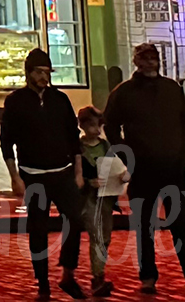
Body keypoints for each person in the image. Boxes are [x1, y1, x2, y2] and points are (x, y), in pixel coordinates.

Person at [104, 43, 185, 296]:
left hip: (173, 169)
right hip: (143, 169)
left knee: (179, 224)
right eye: (144, 59)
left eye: (153, 59)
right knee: (145, 225)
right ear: (136, 62)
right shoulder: (124, 93)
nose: (149, 63)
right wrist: (127, 156)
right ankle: (148, 275)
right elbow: (110, 126)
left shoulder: (171, 89)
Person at [1, 47, 85, 299]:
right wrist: (15, 177)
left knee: (75, 218)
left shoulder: (59, 100)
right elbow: (7, 141)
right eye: (39, 72)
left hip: (62, 171)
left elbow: (73, 138)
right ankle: (43, 282)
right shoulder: (15, 101)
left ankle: (67, 272)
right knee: (38, 229)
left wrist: (78, 171)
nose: (43, 77)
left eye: (47, 72)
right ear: (28, 73)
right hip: (33, 174)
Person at [69, 103, 124, 299]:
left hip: (106, 198)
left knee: (105, 236)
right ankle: (97, 276)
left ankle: (99, 273)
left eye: (98, 125)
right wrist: (87, 183)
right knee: (97, 235)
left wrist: (121, 176)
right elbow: (75, 175)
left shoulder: (105, 146)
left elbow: (116, 167)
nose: (96, 129)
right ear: (83, 125)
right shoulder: (78, 148)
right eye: (91, 124)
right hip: (89, 199)